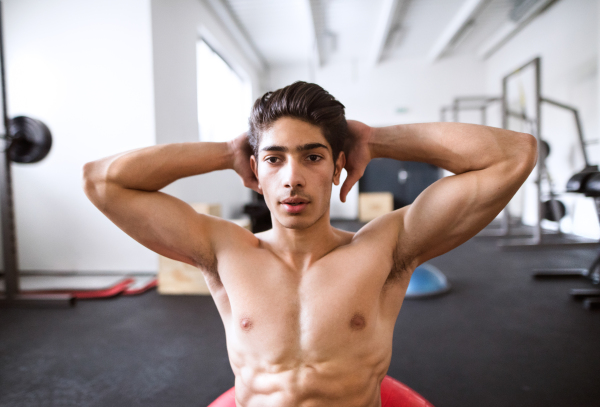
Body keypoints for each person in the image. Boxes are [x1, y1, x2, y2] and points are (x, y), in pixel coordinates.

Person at [82, 81, 537, 407]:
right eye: (274, 159)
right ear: (256, 173)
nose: (293, 177)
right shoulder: (224, 249)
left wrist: (375, 140)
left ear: (339, 167)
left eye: (312, 157)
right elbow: (101, 182)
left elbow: (514, 154)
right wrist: (225, 152)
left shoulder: (385, 247)